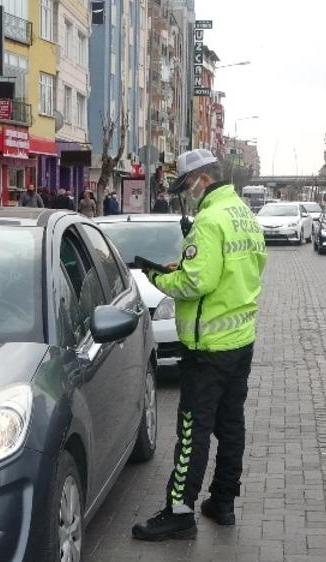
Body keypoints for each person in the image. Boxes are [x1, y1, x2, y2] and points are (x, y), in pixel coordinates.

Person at [132, 149, 267, 541]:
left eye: (187, 185)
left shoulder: (209, 221)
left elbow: (196, 283)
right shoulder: (242, 214)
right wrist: (189, 270)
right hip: (240, 340)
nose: (186, 193)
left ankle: (179, 512)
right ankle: (222, 502)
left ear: (202, 179)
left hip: (207, 346)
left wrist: (159, 279)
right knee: (231, 424)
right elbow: (251, 268)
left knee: (193, 429)